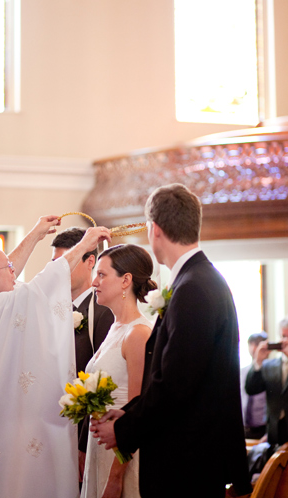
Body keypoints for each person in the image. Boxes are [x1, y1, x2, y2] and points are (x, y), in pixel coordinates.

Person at [91, 183, 251, 497]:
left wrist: (123, 430)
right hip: (193, 456)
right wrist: (130, 413)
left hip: (186, 463)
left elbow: (176, 385)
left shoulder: (193, 289)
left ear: (155, 230)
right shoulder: (202, 280)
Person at [0, 217, 111, 498]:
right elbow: (44, 284)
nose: (15, 272)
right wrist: (85, 244)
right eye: (9, 270)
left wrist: (34, 235)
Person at [81, 244, 153, 498]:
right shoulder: (116, 327)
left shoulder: (138, 333)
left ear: (126, 280)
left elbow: (136, 409)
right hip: (101, 448)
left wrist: (115, 477)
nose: (94, 282)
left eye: (102, 274)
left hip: (122, 457)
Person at [51, 227, 115, 480]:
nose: (59, 271)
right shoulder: (51, 310)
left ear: (90, 261)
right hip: (54, 429)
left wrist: (82, 446)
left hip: (84, 434)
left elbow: (101, 384)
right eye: (56, 263)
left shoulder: (103, 312)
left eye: (67, 261)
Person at [245, 316, 288, 458]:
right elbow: (251, 388)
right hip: (275, 433)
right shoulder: (269, 365)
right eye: (283, 336)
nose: (285, 340)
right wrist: (257, 362)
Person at [241, 332, 268, 440]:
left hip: (263, 428)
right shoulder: (242, 371)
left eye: (257, 344)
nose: (253, 348)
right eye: (250, 344)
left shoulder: (271, 369)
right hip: (245, 426)